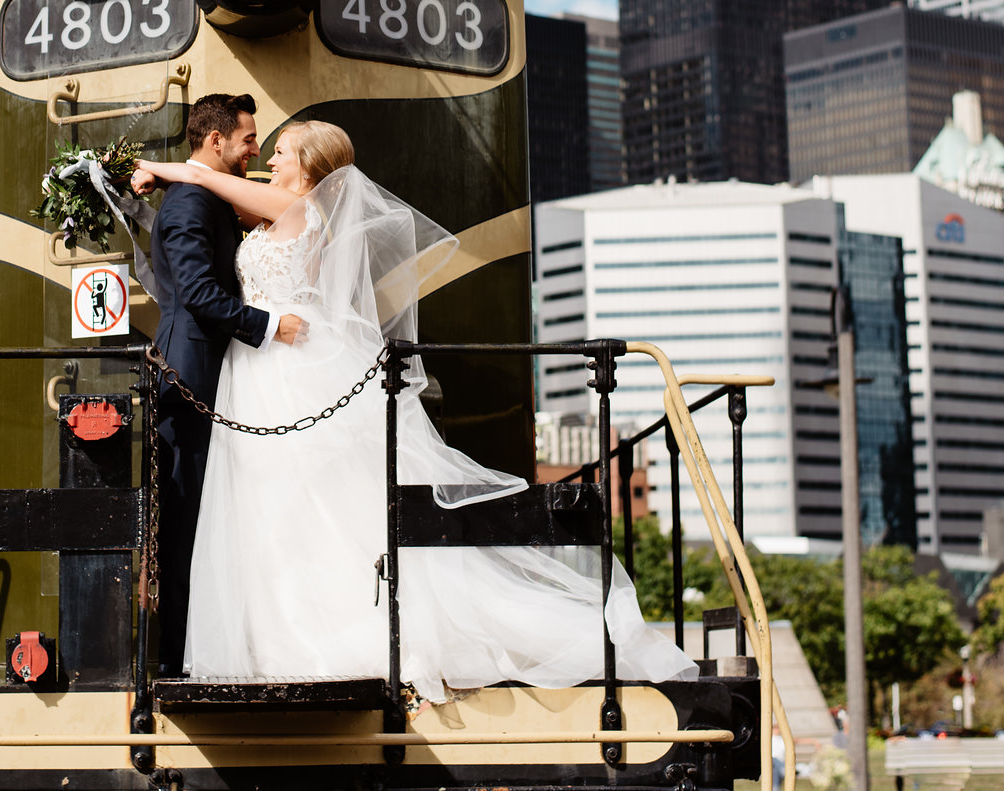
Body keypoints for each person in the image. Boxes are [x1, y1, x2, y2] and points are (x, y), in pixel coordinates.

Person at [134, 120, 695, 696]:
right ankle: (279, 634)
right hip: (266, 364)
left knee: (294, 496)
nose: (268, 161)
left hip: (284, 360)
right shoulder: (289, 210)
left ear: (308, 167)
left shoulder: (297, 210)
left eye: (280, 153)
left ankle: (308, 639)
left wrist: (163, 169)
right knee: (277, 501)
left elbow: (212, 183)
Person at [145, 93, 307, 677]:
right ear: (216, 141)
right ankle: (180, 658)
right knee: (187, 513)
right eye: (247, 140)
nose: (254, 152)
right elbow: (197, 294)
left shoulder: (202, 194)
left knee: (214, 511)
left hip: (215, 369)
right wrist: (269, 326)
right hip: (192, 368)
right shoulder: (191, 201)